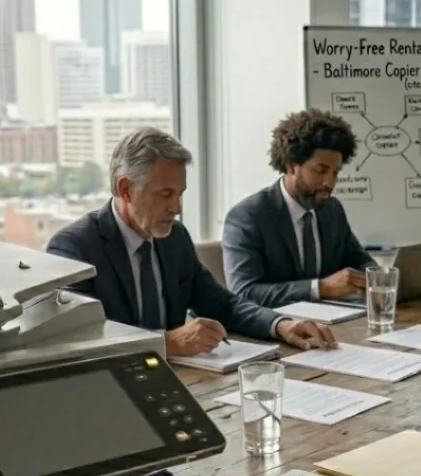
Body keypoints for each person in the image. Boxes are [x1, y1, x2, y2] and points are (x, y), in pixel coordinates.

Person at [47, 128, 336, 357]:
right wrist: (167, 342)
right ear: (126, 190)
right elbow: (81, 339)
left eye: (180, 194)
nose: (176, 208)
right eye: (165, 194)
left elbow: (222, 304)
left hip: (184, 379)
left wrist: (281, 324)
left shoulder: (175, 238)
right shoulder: (74, 248)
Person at [222, 109, 374, 307]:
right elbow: (245, 292)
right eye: (321, 170)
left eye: (335, 173)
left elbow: (360, 261)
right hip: (277, 322)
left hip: (335, 319)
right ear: (291, 166)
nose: (329, 182)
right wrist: (320, 288)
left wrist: (377, 278)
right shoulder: (248, 217)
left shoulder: (332, 210)